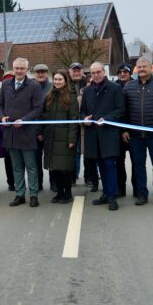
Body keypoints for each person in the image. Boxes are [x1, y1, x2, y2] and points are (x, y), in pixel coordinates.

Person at [122, 57, 153, 206]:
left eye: (145, 66)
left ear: (151, 68)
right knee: (138, 165)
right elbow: (124, 111)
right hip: (135, 135)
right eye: (139, 67)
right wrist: (124, 129)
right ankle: (142, 194)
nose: (142, 69)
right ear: (136, 69)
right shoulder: (128, 87)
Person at [0, 58, 44, 207]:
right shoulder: (5, 84)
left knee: (31, 166)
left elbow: (38, 108)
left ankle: (34, 195)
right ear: (13, 68)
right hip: (10, 133)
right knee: (16, 167)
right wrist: (2, 117)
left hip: (27, 133)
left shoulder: (34, 86)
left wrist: (24, 120)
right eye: (16, 68)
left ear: (27, 69)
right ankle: (20, 194)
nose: (19, 71)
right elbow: (0, 105)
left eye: (22, 68)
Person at [81, 62, 125, 211]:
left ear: (104, 72)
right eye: (92, 73)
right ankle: (105, 194)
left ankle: (112, 196)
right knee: (100, 166)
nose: (95, 75)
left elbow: (120, 110)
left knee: (109, 166)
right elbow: (82, 112)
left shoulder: (115, 88)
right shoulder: (87, 91)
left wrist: (107, 119)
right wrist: (85, 120)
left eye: (98, 72)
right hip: (93, 135)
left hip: (109, 134)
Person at [38, 70, 79, 204]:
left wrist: (72, 139)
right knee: (55, 168)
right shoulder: (49, 96)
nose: (57, 82)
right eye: (55, 79)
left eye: (60, 79)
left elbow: (74, 119)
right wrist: (41, 132)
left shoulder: (71, 96)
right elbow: (42, 116)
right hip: (51, 138)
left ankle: (67, 194)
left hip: (65, 139)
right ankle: (59, 193)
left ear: (65, 80)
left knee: (64, 169)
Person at [69, 62, 96, 189]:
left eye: (78, 70)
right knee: (73, 151)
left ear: (82, 71)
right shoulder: (67, 86)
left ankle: (89, 177)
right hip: (72, 124)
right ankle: (73, 176)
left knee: (88, 152)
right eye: (74, 70)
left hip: (87, 124)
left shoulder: (90, 85)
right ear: (70, 72)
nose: (76, 73)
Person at [115, 63, 137, 197]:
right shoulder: (114, 87)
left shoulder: (136, 86)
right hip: (119, 131)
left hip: (134, 130)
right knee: (119, 162)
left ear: (130, 74)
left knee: (136, 162)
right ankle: (120, 188)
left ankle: (137, 188)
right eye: (120, 72)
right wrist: (123, 129)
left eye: (125, 72)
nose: (122, 74)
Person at [33, 63, 52, 191]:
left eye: (43, 72)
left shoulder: (52, 87)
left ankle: (54, 184)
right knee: (35, 161)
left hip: (49, 128)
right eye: (38, 72)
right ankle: (37, 184)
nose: (40, 74)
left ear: (47, 73)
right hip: (34, 130)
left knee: (51, 159)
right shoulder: (30, 87)